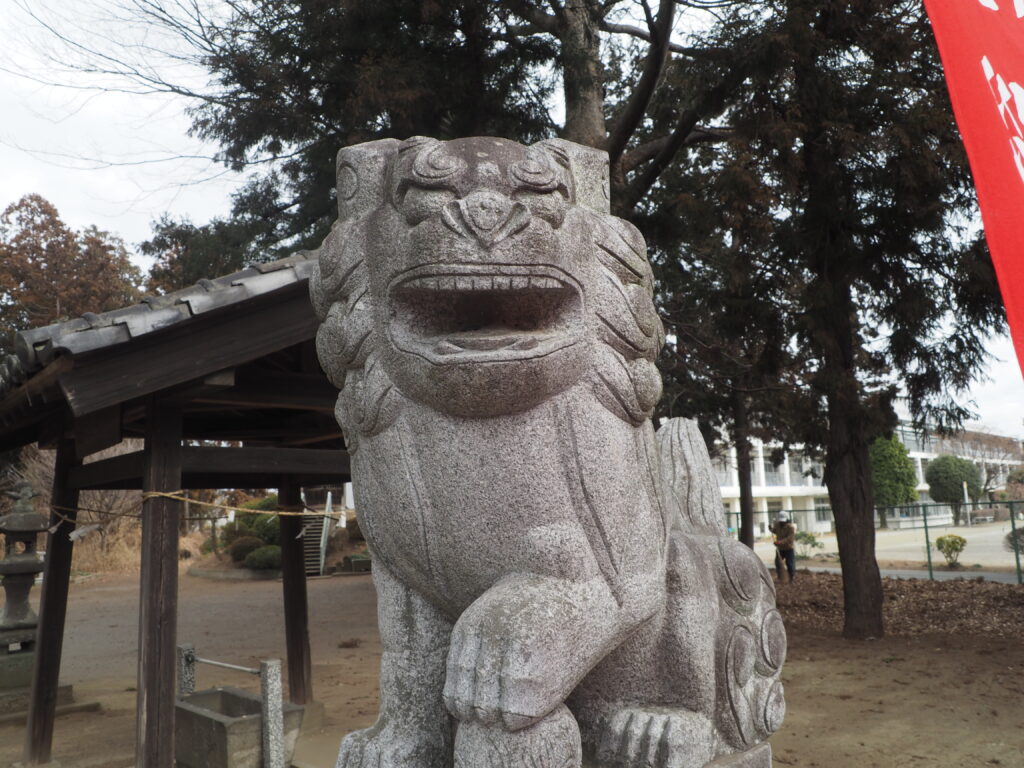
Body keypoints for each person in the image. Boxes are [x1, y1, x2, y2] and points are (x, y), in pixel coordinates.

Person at [772, 511, 796, 583]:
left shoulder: (791, 528)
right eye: (781, 521)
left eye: (783, 521)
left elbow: (790, 539)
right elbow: (775, 531)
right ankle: (780, 577)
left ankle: (791, 578)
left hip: (789, 548)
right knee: (778, 563)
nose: (782, 523)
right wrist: (771, 529)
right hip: (780, 549)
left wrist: (780, 542)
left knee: (790, 564)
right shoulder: (777, 525)